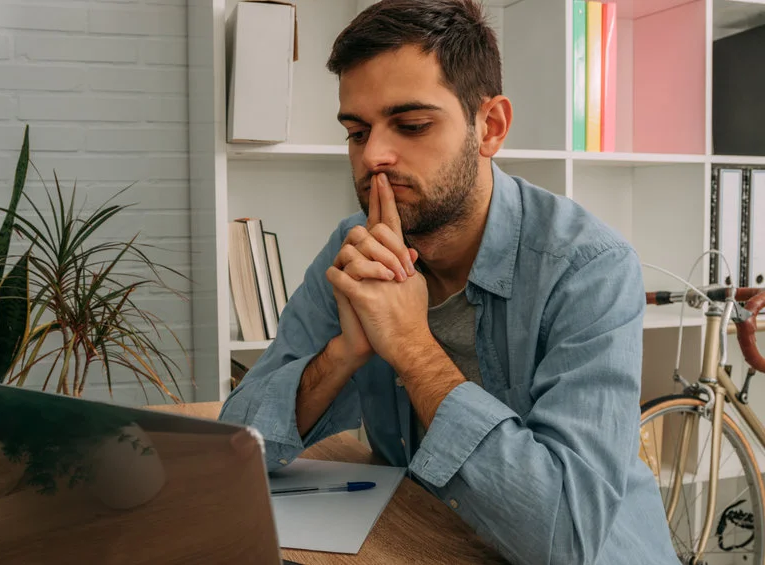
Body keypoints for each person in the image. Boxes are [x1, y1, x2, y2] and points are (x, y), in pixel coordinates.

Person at [220, 1, 677, 563]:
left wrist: (411, 348)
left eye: (411, 126)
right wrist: (343, 353)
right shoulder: (356, 249)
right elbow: (234, 449)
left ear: (490, 127)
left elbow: (562, 538)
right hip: (430, 540)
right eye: (357, 132)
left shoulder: (588, 268)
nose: (374, 157)